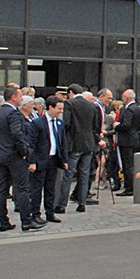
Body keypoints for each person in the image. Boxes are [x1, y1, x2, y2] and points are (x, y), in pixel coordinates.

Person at [0, 85, 40, 232]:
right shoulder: (13, 114)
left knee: (2, 189)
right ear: (13, 97)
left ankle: (3, 221)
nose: (22, 99)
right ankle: (26, 220)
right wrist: (24, 152)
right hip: (14, 155)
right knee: (22, 188)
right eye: (20, 96)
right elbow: (17, 135)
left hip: (1, 154)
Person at [60, 83, 102, 213]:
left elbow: (66, 123)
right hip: (88, 144)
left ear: (71, 93)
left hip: (74, 144)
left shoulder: (69, 103)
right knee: (84, 175)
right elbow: (95, 126)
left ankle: (62, 204)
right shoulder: (91, 105)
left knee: (68, 174)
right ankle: (82, 203)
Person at [26, 95, 68, 225]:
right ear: (50, 107)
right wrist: (31, 161)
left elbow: (63, 142)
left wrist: (64, 159)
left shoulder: (60, 123)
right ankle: (35, 214)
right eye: (59, 108)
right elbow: (31, 143)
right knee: (37, 189)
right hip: (40, 160)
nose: (61, 111)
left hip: (54, 160)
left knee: (51, 188)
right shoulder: (37, 123)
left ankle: (50, 212)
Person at [113, 90, 140, 197]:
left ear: (126, 98)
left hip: (127, 140)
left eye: (123, 97)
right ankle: (133, 186)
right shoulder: (139, 109)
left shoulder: (129, 110)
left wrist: (116, 126)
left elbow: (126, 125)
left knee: (127, 165)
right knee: (132, 164)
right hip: (136, 139)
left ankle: (129, 187)